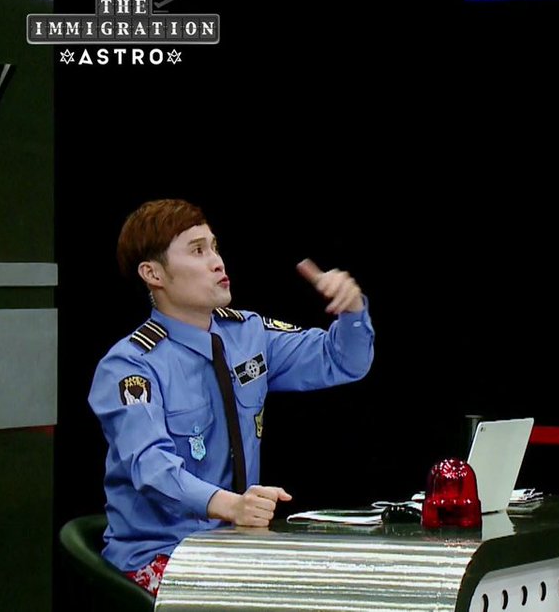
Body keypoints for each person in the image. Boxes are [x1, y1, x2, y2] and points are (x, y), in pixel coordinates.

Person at [88, 199, 375, 596]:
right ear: (153, 273)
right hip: (164, 552)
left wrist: (352, 310)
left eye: (214, 247)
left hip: (235, 546)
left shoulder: (247, 334)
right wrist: (232, 506)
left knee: (342, 585)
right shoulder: (130, 366)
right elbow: (152, 468)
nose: (217, 262)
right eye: (197, 251)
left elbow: (343, 361)